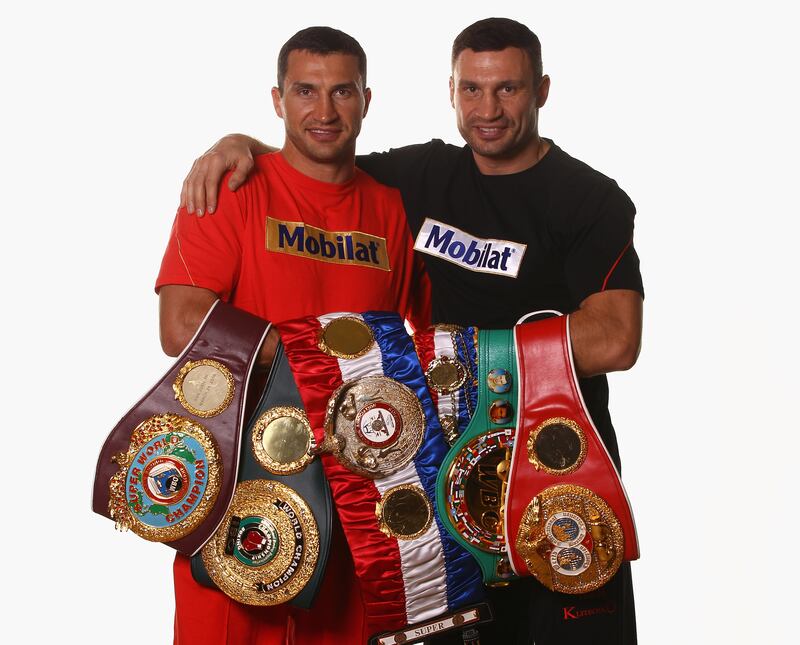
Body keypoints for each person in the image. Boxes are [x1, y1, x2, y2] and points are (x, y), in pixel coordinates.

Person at [181, 17, 644, 645]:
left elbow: (615, 338)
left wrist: (468, 357)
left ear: (542, 90)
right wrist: (238, 143)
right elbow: (319, 153)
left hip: (552, 468)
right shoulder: (421, 178)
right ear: (450, 91)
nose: (489, 109)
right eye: (472, 90)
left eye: (508, 89)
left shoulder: (588, 200)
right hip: (435, 486)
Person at [156, 26, 430, 645]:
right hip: (242, 486)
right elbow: (181, 324)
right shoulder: (232, 187)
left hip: (363, 502)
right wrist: (323, 359)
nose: (324, 111)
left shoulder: (393, 208)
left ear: (366, 99)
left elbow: (429, 342)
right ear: (278, 100)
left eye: (342, 92)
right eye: (306, 91)